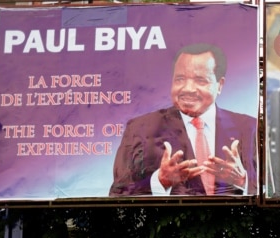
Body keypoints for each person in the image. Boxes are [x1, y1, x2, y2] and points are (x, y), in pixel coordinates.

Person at [110, 43, 257, 196]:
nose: (188, 88)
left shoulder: (248, 128)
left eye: (200, 80)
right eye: (180, 79)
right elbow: (118, 193)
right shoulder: (140, 128)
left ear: (219, 85)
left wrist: (243, 180)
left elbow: (277, 188)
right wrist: (160, 182)